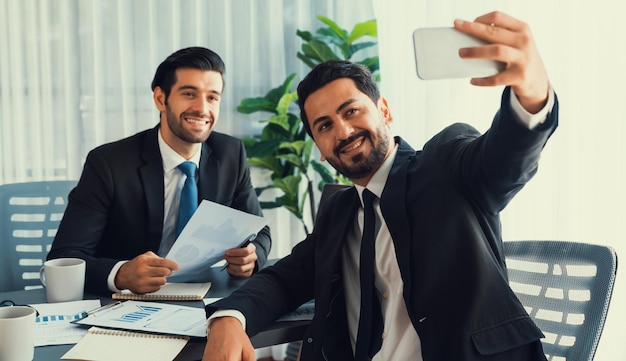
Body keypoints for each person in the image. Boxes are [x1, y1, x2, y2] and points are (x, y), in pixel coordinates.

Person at [202, 11, 557, 361]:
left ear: (384, 110)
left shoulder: (445, 165)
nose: (342, 131)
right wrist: (230, 317)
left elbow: (505, 159)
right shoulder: (338, 212)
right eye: (324, 126)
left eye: (351, 111)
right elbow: (284, 279)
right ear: (320, 151)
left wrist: (532, 93)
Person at [47, 47, 271, 295]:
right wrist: (121, 274)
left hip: (203, 295)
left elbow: (258, 230)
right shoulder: (108, 163)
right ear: (160, 99)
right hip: (127, 304)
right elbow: (65, 256)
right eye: (189, 93)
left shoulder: (231, 154)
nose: (202, 108)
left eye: (212, 97)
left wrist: (252, 256)